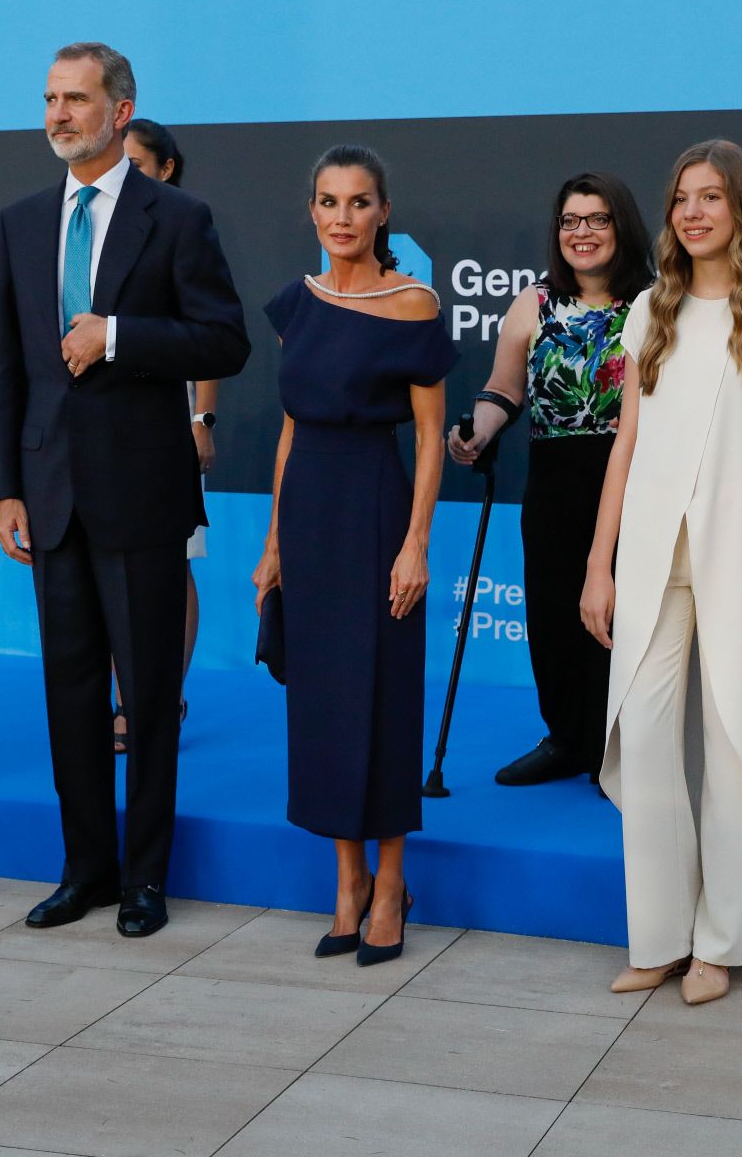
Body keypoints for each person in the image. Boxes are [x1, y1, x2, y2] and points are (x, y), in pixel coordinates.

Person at [0, 43, 249, 938]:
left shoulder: (176, 216)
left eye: (77, 99)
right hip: (50, 498)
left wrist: (120, 336)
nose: (58, 114)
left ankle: (145, 879)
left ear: (121, 109)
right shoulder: (21, 222)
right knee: (68, 696)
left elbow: (224, 343)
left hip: (141, 494)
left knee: (145, 695)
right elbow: (6, 371)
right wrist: (6, 489)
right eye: (50, 97)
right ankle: (85, 871)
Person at [580, 140, 742, 1006]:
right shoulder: (651, 311)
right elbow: (627, 445)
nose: (692, 212)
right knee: (641, 739)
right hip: (650, 554)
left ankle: (722, 943)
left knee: (733, 746)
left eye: (711, 197)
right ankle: (660, 936)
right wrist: (599, 563)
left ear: (741, 209)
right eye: (682, 198)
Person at [252, 145, 456, 966]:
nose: (342, 217)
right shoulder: (294, 305)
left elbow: (433, 436)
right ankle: (345, 881)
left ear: (383, 212)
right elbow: (292, 428)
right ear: (312, 211)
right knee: (323, 701)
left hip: (377, 506)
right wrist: (272, 542)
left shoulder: (412, 305)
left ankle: (393, 880)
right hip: (308, 515)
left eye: (359, 202)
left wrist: (415, 543)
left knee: (384, 695)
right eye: (329, 202)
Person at [448, 173, 654, 787]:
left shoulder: (657, 302)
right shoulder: (533, 304)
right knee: (555, 615)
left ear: (622, 226)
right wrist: (477, 433)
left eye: (597, 219)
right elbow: (504, 389)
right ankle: (568, 740)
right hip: (555, 480)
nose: (582, 232)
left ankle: (622, 749)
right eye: (570, 221)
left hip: (638, 479)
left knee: (628, 616)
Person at [108, 118, 216, 750]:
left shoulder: (180, 226)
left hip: (168, 429)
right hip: (104, 432)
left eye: (138, 166)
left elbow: (209, 341)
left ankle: (165, 696)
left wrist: (201, 419)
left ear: (166, 169)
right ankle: (129, 701)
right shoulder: (88, 230)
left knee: (175, 565)